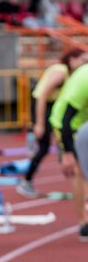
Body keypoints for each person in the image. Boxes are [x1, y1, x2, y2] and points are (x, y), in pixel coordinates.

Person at [17, 49, 88, 198]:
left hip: (52, 107)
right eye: (82, 60)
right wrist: (39, 124)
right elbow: (41, 96)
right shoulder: (61, 72)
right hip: (41, 106)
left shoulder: (73, 75)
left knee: (47, 148)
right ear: (72, 60)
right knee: (43, 147)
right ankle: (26, 181)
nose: (84, 64)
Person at [49, 63, 88, 240]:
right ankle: (83, 223)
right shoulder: (85, 80)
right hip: (68, 126)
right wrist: (67, 153)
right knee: (78, 173)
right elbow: (65, 120)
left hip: (83, 125)